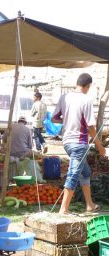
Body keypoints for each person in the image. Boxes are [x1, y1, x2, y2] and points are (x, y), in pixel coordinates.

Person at [52, 73, 105, 214]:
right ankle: (63, 209)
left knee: (85, 172)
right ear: (88, 86)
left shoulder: (65, 97)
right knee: (73, 174)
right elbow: (90, 126)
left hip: (67, 142)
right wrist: (100, 146)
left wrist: (69, 120)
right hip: (79, 143)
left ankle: (90, 205)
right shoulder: (86, 100)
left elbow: (54, 118)